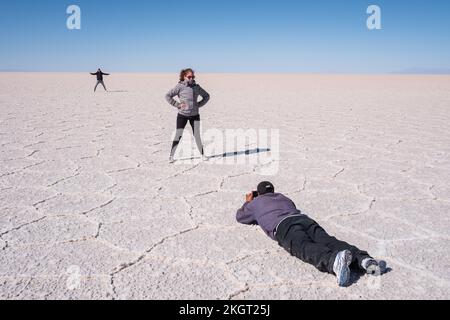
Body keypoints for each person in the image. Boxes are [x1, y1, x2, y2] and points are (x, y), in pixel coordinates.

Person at [236, 181, 387, 287]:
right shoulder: (283, 197)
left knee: (303, 246)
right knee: (329, 241)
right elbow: (292, 207)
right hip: (303, 219)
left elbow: (241, 217)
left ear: (259, 193)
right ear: (273, 191)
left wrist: (248, 202)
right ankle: (364, 260)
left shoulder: (255, 203)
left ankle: (333, 261)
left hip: (283, 226)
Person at [165, 68, 210, 163]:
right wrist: (177, 105)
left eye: (193, 76)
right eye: (189, 77)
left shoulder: (196, 87)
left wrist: (198, 105)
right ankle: (171, 156)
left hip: (195, 115)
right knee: (178, 135)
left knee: (197, 135)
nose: (191, 78)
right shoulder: (179, 87)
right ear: (184, 76)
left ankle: (202, 155)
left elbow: (207, 96)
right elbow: (168, 96)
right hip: (182, 115)